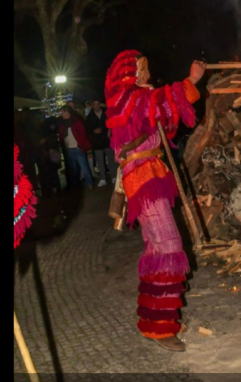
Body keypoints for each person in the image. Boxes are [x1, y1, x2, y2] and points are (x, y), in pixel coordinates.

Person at [105, 50, 205, 352]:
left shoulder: (139, 97)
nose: (146, 73)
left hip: (152, 172)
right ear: (127, 74)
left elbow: (163, 116)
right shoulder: (126, 99)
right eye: (140, 68)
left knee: (156, 247)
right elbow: (159, 102)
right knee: (168, 245)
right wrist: (191, 80)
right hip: (141, 177)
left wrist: (166, 102)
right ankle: (160, 327)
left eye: (146, 67)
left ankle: (157, 318)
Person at [58, 106, 95, 191]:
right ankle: (76, 186)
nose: (61, 114)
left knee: (84, 167)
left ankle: (90, 183)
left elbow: (82, 133)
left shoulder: (76, 121)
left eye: (62, 112)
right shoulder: (62, 123)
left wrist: (80, 144)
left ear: (67, 112)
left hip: (77, 148)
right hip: (69, 149)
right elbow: (61, 135)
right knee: (73, 170)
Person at [86, 100, 117, 187]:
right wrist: (93, 131)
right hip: (96, 142)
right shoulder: (90, 116)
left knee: (111, 159)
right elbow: (87, 129)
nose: (97, 106)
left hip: (106, 140)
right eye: (95, 104)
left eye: (98, 104)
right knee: (100, 161)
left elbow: (111, 124)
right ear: (92, 105)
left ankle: (113, 176)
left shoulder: (106, 114)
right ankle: (103, 178)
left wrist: (103, 129)